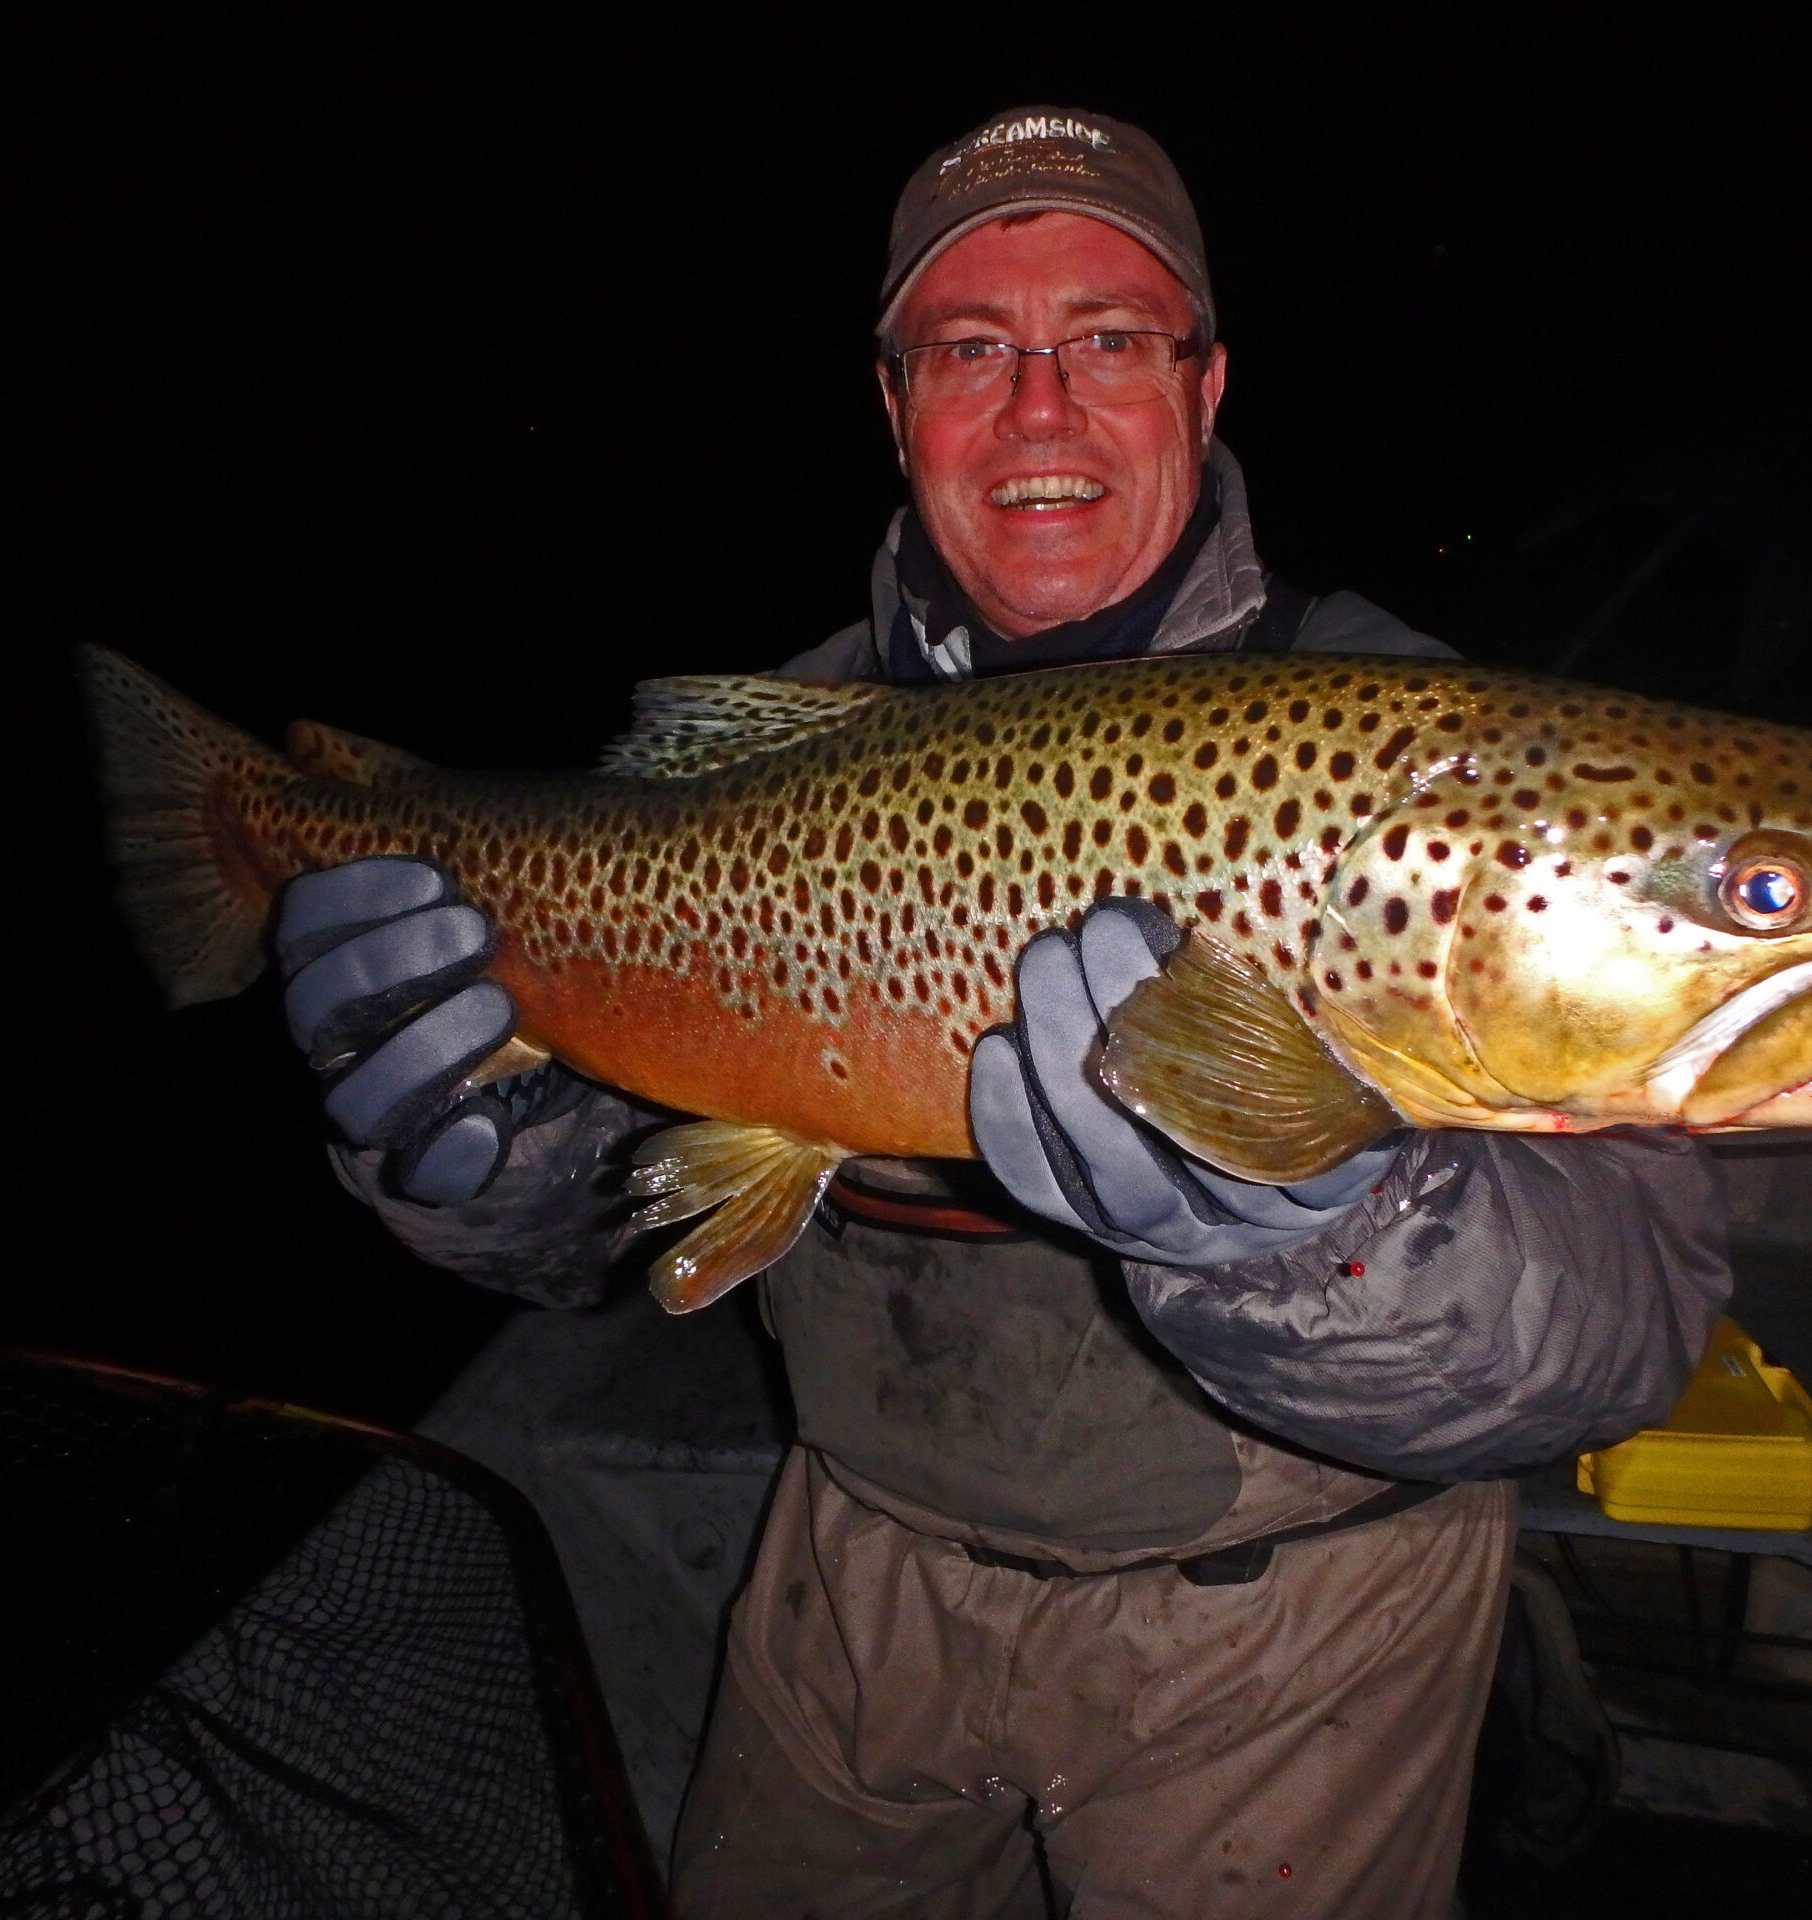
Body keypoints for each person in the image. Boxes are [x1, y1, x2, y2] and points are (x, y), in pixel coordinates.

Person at [278, 109, 1728, 1918]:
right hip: (854, 1586)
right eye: (975, 349)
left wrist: (1330, 1237)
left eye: (1109, 340)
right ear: (898, 407)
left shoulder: (1449, 765)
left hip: (1297, 1631)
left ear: (1206, 387)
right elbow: (602, 1237)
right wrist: (441, 1155)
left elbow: (1619, 1340)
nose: (1042, 408)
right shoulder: (770, 732)